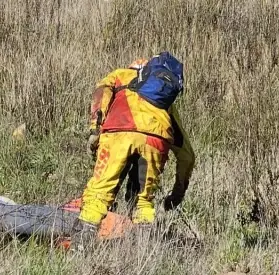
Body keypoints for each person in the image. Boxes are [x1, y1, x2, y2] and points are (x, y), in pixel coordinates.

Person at [76, 52, 194, 244]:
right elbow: (187, 155)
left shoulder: (119, 75)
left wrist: (94, 130)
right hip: (155, 141)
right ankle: (143, 248)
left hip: (118, 135)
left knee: (98, 194)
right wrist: (178, 191)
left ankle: (80, 247)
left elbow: (101, 94)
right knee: (143, 201)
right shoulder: (163, 104)